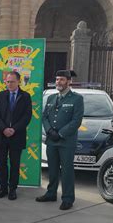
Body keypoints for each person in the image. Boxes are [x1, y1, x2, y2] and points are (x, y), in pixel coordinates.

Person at [36, 70, 84, 210]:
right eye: (57, 80)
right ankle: (51, 193)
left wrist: (61, 133)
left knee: (67, 170)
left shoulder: (76, 99)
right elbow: (44, 117)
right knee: (52, 169)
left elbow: (76, 121)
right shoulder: (51, 98)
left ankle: (68, 198)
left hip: (66, 142)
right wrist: (49, 130)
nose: (59, 82)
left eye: (62, 80)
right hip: (52, 140)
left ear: (69, 81)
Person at [0, 71, 32, 200]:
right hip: (1, 135)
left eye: (12, 81)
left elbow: (27, 116)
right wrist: (4, 129)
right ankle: (3, 188)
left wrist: (14, 129)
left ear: (18, 82)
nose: (9, 84)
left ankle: (12, 189)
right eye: (7, 81)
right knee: (1, 164)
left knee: (15, 164)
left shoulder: (26, 96)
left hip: (17, 136)